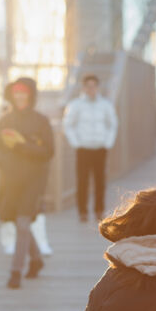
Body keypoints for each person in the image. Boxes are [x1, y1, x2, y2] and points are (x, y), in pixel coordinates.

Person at [0, 77, 54, 289]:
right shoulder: (4, 120)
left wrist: (21, 146)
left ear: (31, 95)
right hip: (11, 180)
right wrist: (3, 162)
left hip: (34, 180)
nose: (19, 96)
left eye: (23, 92)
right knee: (17, 223)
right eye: (15, 93)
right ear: (11, 95)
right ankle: (36, 259)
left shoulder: (41, 121)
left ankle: (15, 272)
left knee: (23, 222)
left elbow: (48, 151)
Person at [64, 74, 118, 223]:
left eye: (94, 86)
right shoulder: (75, 105)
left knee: (100, 181)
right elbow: (68, 125)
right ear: (84, 88)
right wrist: (76, 144)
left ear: (97, 87)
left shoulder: (106, 105)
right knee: (82, 181)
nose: (91, 89)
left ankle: (99, 210)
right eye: (88, 86)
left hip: (100, 148)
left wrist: (107, 143)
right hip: (83, 149)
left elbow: (112, 124)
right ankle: (82, 211)